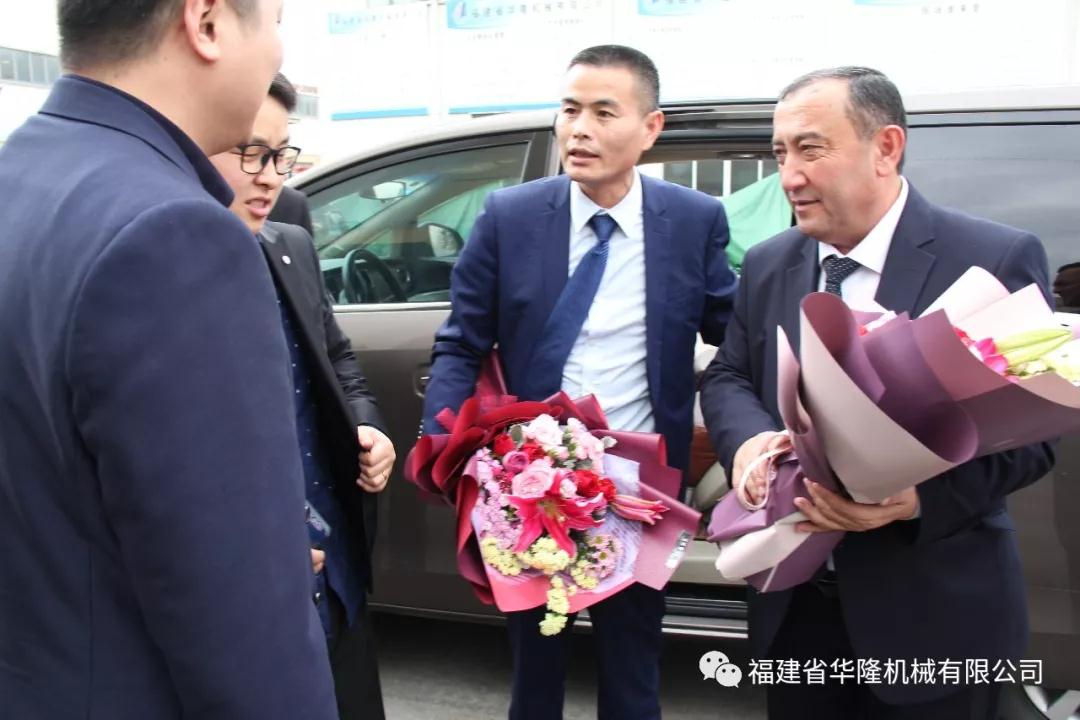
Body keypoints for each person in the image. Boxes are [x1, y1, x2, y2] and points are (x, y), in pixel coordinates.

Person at [0, 2, 339, 718]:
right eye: (276, 19)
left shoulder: (23, 170)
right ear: (207, 22)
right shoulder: (176, 232)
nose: (278, 49)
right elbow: (244, 623)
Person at [700, 66, 1056, 720]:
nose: (789, 176)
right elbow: (729, 375)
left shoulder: (990, 259)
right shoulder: (770, 262)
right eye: (780, 153)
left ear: (885, 148)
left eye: (810, 150)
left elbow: (1034, 436)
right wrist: (749, 446)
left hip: (935, 614)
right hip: (798, 612)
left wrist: (916, 499)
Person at [422, 44, 738, 720]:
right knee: (535, 669)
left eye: (603, 112)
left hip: (641, 487)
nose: (580, 130)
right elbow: (461, 341)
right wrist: (444, 450)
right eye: (570, 110)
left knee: (633, 667)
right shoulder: (509, 217)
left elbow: (735, 333)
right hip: (529, 482)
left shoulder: (692, 221)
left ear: (650, 128)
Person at [208, 72, 396, 720]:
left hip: (335, 552)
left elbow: (337, 357)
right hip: (260, 572)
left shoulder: (290, 245)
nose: (269, 178)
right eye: (249, 154)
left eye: (280, 156)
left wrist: (369, 425)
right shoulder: (173, 274)